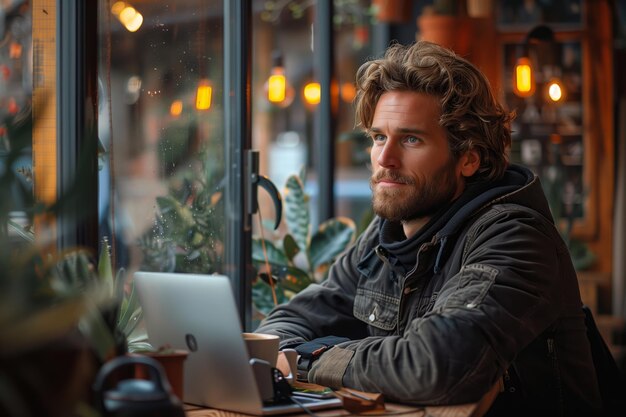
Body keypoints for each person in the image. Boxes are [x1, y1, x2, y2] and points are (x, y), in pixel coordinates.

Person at [255, 41, 602, 416]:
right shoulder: (384, 237)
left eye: (411, 139)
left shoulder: (515, 238)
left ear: (468, 159)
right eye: (378, 137)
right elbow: (283, 327)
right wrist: (295, 352)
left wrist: (311, 357)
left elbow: (439, 365)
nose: (385, 159)